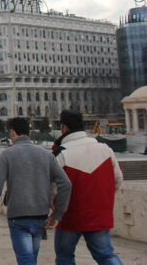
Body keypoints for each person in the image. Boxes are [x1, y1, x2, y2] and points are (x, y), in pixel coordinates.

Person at [0, 118, 71, 265]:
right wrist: (57, 213)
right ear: (28, 132)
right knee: (30, 257)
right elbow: (66, 184)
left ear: (12, 132)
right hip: (40, 215)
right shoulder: (46, 154)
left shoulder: (7, 155)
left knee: (26, 260)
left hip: (18, 217)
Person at [53, 110, 124, 265]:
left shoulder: (61, 153)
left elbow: (52, 188)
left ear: (64, 128)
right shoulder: (105, 149)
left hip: (71, 216)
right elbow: (117, 180)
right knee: (106, 255)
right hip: (99, 213)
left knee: (65, 255)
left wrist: (54, 211)